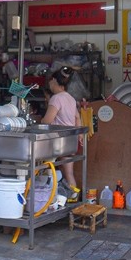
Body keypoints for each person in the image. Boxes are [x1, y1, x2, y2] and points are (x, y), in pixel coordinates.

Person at [40, 66, 82, 201]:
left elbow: (47, 121)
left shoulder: (56, 98)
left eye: (50, 82)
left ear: (53, 81)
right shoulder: (70, 98)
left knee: (47, 169)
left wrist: (40, 120)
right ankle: (73, 197)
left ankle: (49, 199)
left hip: (57, 142)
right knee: (69, 172)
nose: (49, 85)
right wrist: (79, 134)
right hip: (70, 141)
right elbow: (77, 118)